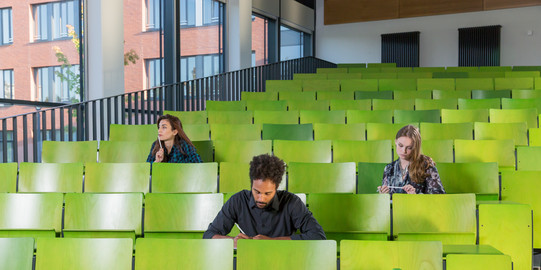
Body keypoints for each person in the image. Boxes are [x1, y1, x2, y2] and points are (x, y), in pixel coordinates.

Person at [203, 154, 326, 247]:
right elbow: (209, 235)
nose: (261, 198)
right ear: (251, 185)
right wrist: (232, 241)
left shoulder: (292, 202)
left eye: (267, 193)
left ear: (276, 188)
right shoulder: (238, 201)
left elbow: (318, 236)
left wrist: (272, 242)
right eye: (256, 191)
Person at [378, 125, 445, 195]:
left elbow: (439, 197)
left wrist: (415, 196)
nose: (404, 151)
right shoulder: (389, 168)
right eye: (400, 145)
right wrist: (383, 196)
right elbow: (388, 201)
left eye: (409, 147)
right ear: (395, 142)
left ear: (415, 147)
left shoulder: (426, 165)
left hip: (418, 206)